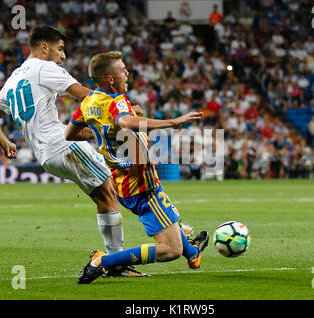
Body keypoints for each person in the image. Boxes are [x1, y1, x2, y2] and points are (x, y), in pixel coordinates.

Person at [0, 25, 146, 277]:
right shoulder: (45, 68)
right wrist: (123, 110)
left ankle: (131, 249)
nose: (63, 56)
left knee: (108, 192)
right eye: (60, 49)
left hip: (47, 154)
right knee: (111, 192)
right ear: (44, 47)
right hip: (63, 145)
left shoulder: (13, 78)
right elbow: (89, 98)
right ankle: (117, 261)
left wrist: (5, 143)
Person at [65, 51, 209, 284]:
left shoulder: (88, 102)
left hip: (122, 182)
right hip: (142, 184)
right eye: (123, 70)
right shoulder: (117, 101)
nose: (127, 73)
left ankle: (193, 253)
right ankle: (103, 262)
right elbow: (125, 122)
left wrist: (107, 128)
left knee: (171, 220)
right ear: (110, 78)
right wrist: (173, 122)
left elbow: (70, 133)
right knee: (170, 249)